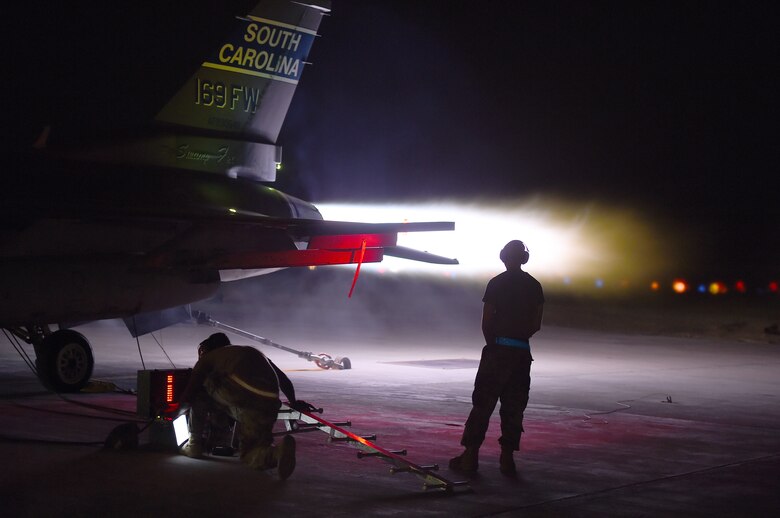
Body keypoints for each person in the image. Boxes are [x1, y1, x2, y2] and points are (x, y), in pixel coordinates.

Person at [449, 240, 544, 476]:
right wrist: (519, 338)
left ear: (503, 257)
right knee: (514, 408)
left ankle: (470, 457)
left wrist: (494, 344)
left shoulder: (496, 283)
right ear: (524, 258)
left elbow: (487, 321)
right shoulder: (534, 285)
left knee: (482, 405)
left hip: (497, 351)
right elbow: (536, 324)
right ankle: (507, 459)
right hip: (522, 354)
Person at [177, 332, 314, 480]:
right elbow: (284, 381)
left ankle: (194, 444)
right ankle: (277, 453)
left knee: (201, 391)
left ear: (206, 349)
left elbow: (189, 395)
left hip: (245, 400)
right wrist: (293, 403)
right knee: (255, 447)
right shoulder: (250, 352)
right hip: (269, 404)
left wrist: (173, 413)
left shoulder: (208, 359)